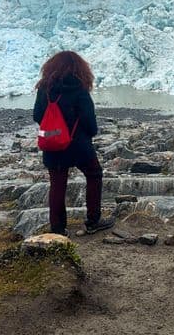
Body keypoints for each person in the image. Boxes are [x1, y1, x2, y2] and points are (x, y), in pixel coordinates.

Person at [33, 50, 115, 236]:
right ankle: (93, 220)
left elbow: (37, 115)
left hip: (53, 144)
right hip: (78, 144)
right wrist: (89, 134)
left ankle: (58, 229)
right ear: (79, 68)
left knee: (57, 184)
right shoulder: (79, 88)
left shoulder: (44, 88)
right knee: (94, 174)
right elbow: (88, 119)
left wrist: (54, 129)